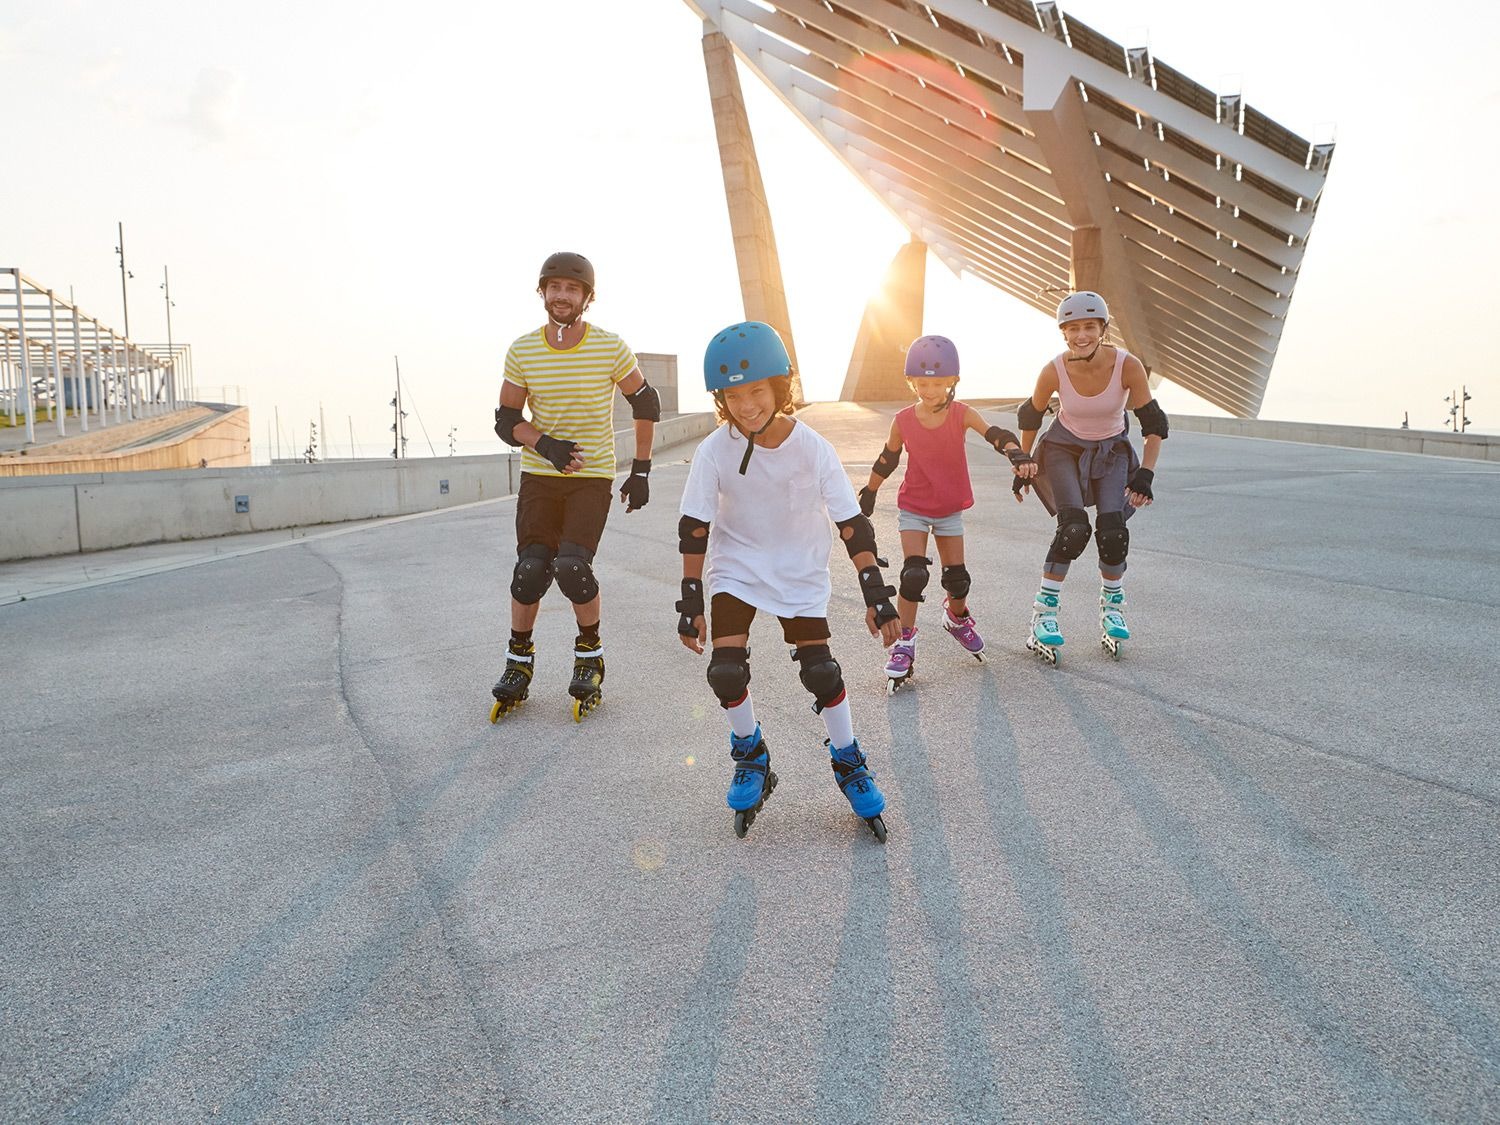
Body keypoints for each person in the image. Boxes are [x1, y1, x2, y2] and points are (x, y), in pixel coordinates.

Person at [676, 321, 901, 840]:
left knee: (821, 672)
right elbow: (695, 527)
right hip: (737, 567)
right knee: (725, 673)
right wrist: (691, 601)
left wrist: (876, 594)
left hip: (798, 568)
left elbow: (852, 523)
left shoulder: (812, 447)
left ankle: (849, 760)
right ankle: (751, 754)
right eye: (733, 396)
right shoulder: (714, 449)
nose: (746, 405)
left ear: (781, 387)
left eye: (757, 391)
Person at [490, 251, 660, 721]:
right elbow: (507, 420)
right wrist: (546, 444)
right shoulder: (523, 350)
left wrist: (641, 471)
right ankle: (518, 661)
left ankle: (590, 654)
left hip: (591, 477)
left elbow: (646, 403)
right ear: (542, 292)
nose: (562, 295)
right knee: (529, 570)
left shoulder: (610, 347)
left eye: (572, 289)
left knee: (572, 567)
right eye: (555, 287)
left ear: (587, 297)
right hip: (540, 477)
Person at [856, 334, 1037, 690]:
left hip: (949, 508)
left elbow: (995, 434)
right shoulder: (903, 420)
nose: (929, 390)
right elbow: (888, 458)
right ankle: (904, 643)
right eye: (922, 383)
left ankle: (957, 619)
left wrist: (1015, 452)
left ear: (952, 381)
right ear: (912, 381)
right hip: (914, 507)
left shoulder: (961, 413)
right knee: (913, 574)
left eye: (938, 383)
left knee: (957, 580)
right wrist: (870, 492)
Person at [1013, 291, 1167, 664]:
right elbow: (1030, 416)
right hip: (1063, 450)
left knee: (1113, 533)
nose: (1081, 335)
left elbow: (1154, 424)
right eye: (1073, 328)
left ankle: (1112, 608)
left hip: (1112, 452)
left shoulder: (1127, 366)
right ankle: (1044, 615)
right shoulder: (1053, 370)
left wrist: (1146, 474)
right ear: (1063, 332)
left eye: (1089, 327)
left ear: (1102, 329)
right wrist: (1023, 462)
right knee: (1073, 529)